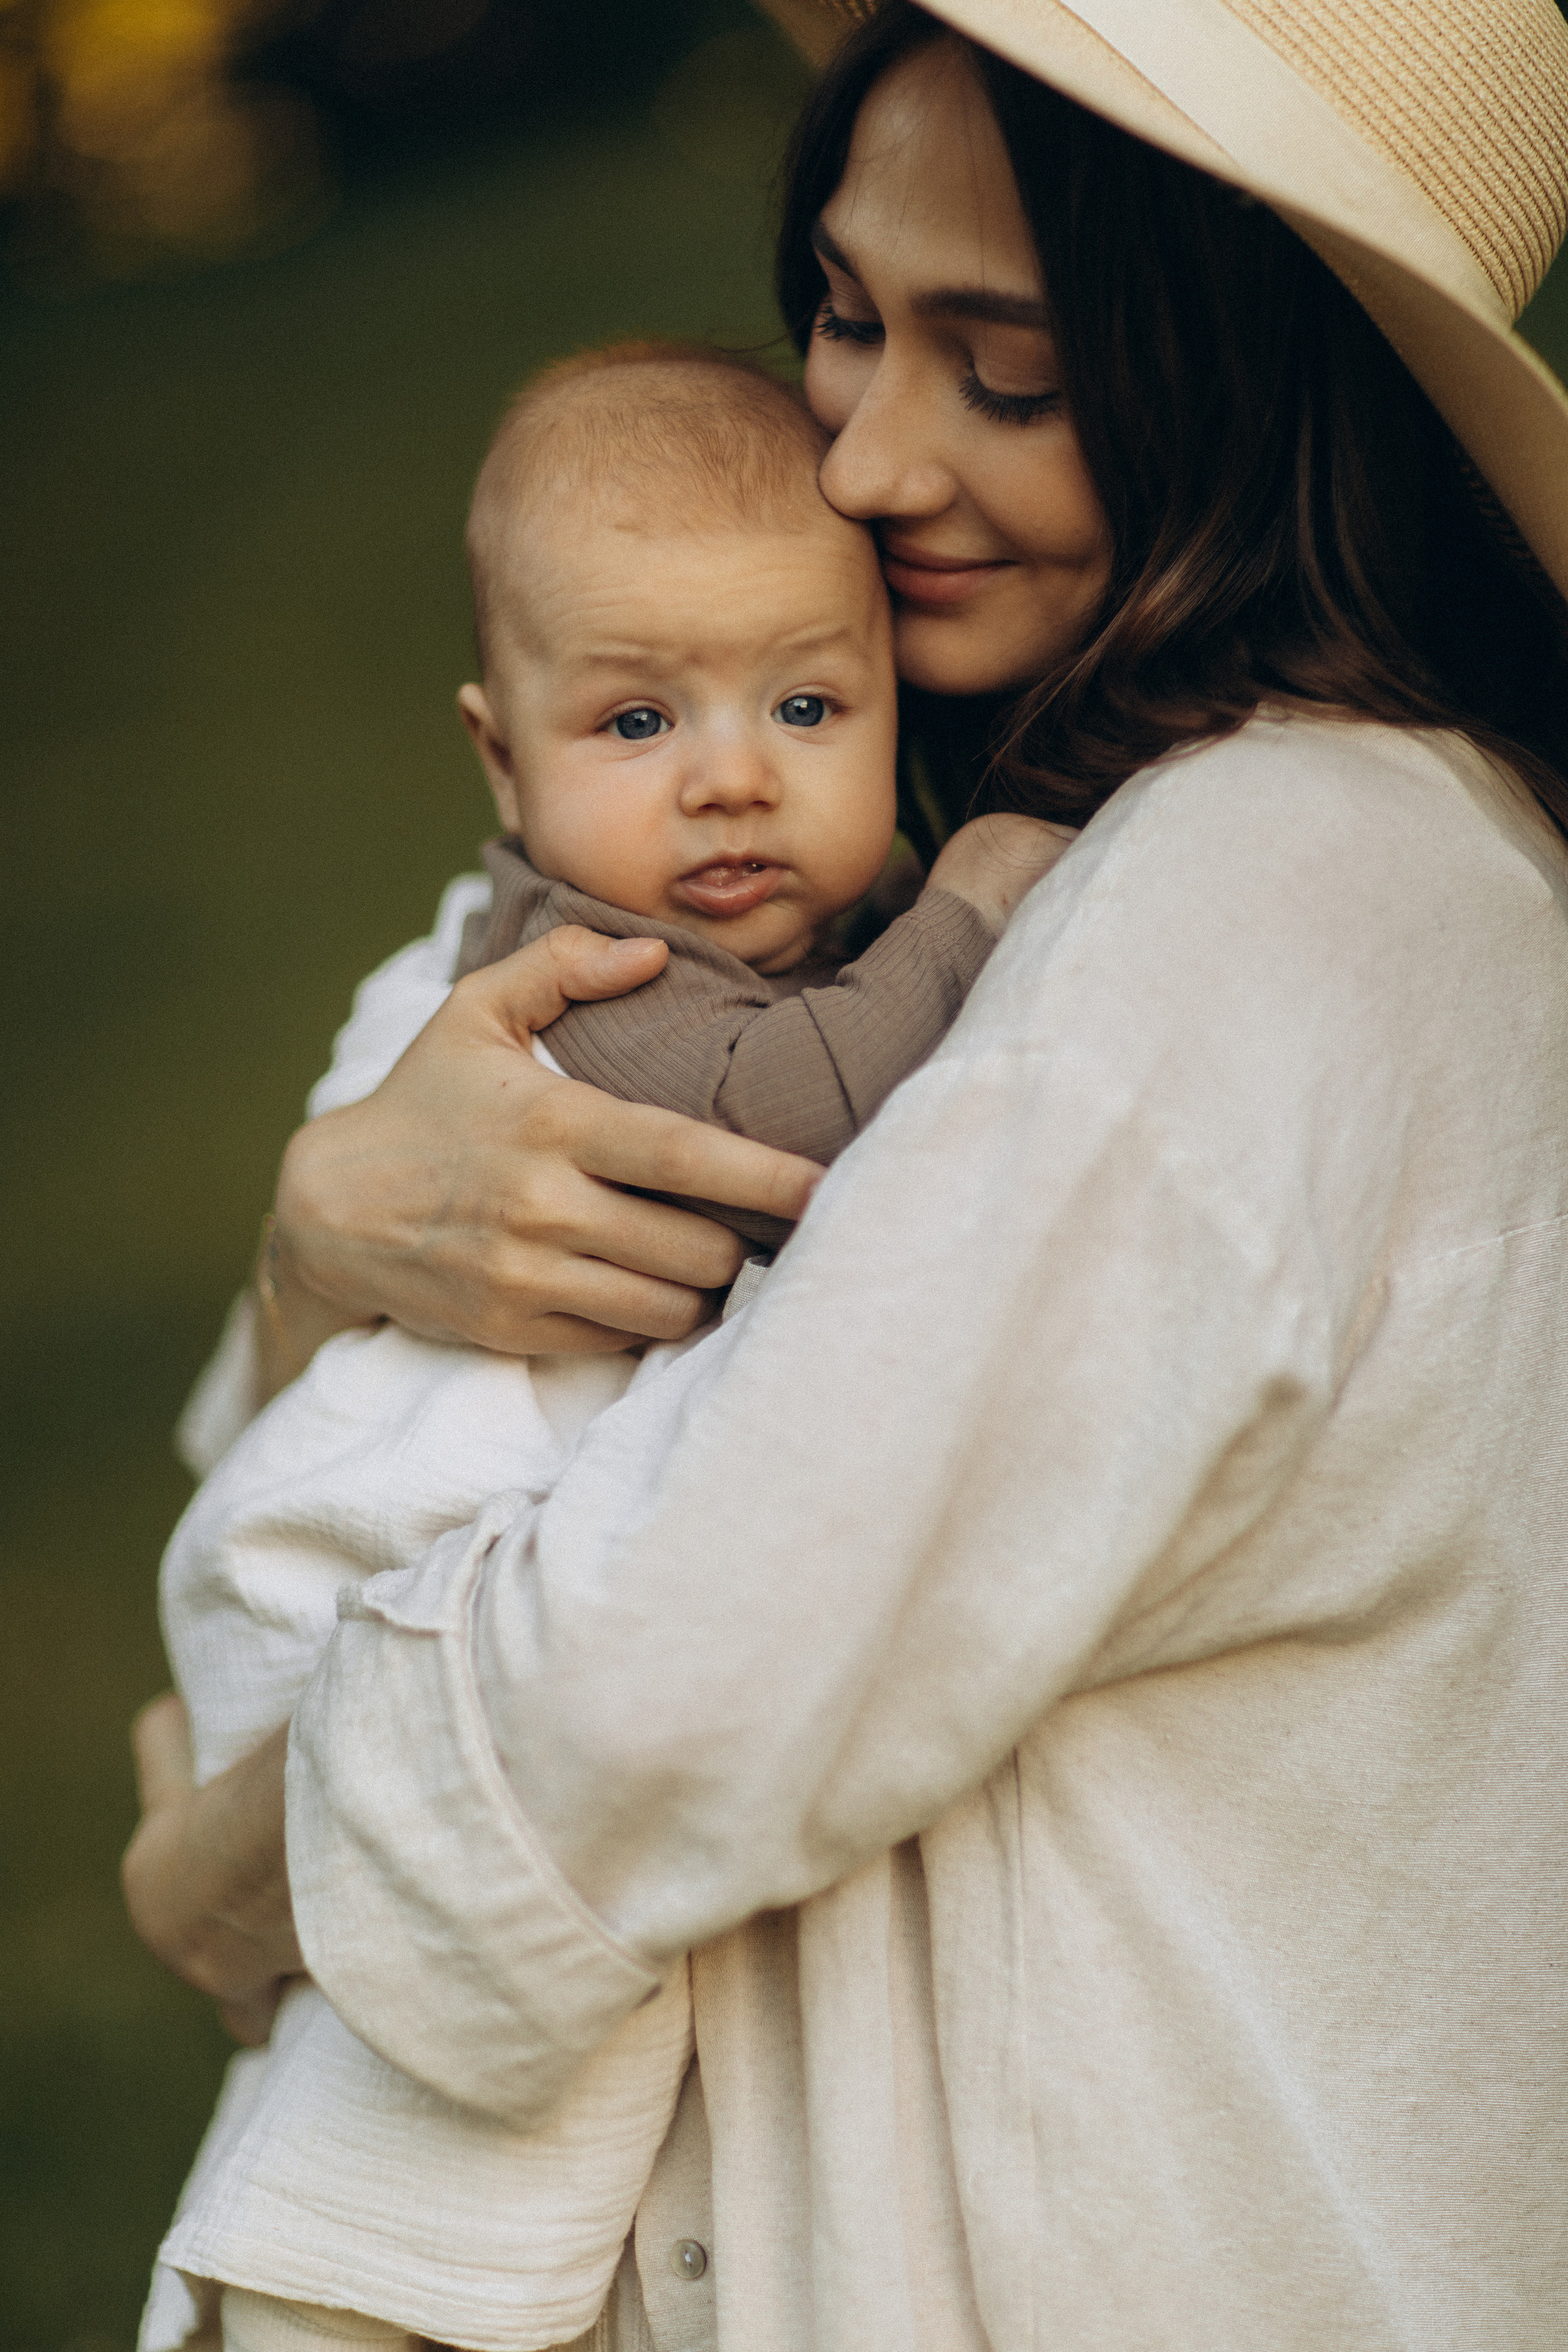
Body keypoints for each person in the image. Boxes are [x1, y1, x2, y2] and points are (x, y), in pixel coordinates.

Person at [124, 2, 1568, 2345]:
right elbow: (339, 1444)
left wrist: (219, 1866)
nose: (873, 460)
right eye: (845, 316)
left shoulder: (1276, 891)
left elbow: (649, 1692)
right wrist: (328, 1237)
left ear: (1262, 387)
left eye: (1006, 375)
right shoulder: (933, 861)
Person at [142, 341, 1066, 2352]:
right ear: (502, 761)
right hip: (391, 1630)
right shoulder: (586, 975)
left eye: (807, 706)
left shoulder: (784, 922)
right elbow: (787, 1112)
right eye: (639, 717)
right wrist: (984, 893)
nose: (732, 774)